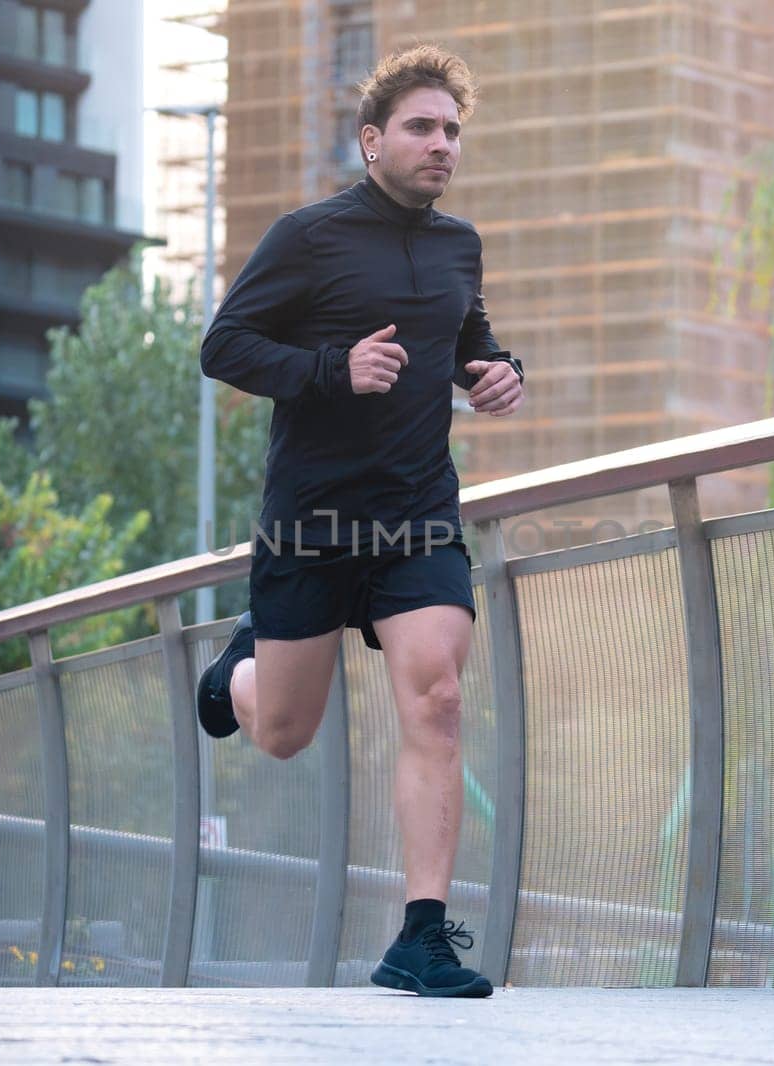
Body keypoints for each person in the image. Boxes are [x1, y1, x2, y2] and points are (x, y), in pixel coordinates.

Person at [194, 44, 523, 998]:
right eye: (422, 127)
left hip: (418, 517)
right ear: (372, 139)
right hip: (311, 524)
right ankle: (239, 669)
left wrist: (496, 370)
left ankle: (419, 938)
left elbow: (466, 338)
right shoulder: (309, 236)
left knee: (439, 699)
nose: (442, 144)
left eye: (453, 130)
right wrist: (332, 368)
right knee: (284, 734)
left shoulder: (460, 244)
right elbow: (225, 345)